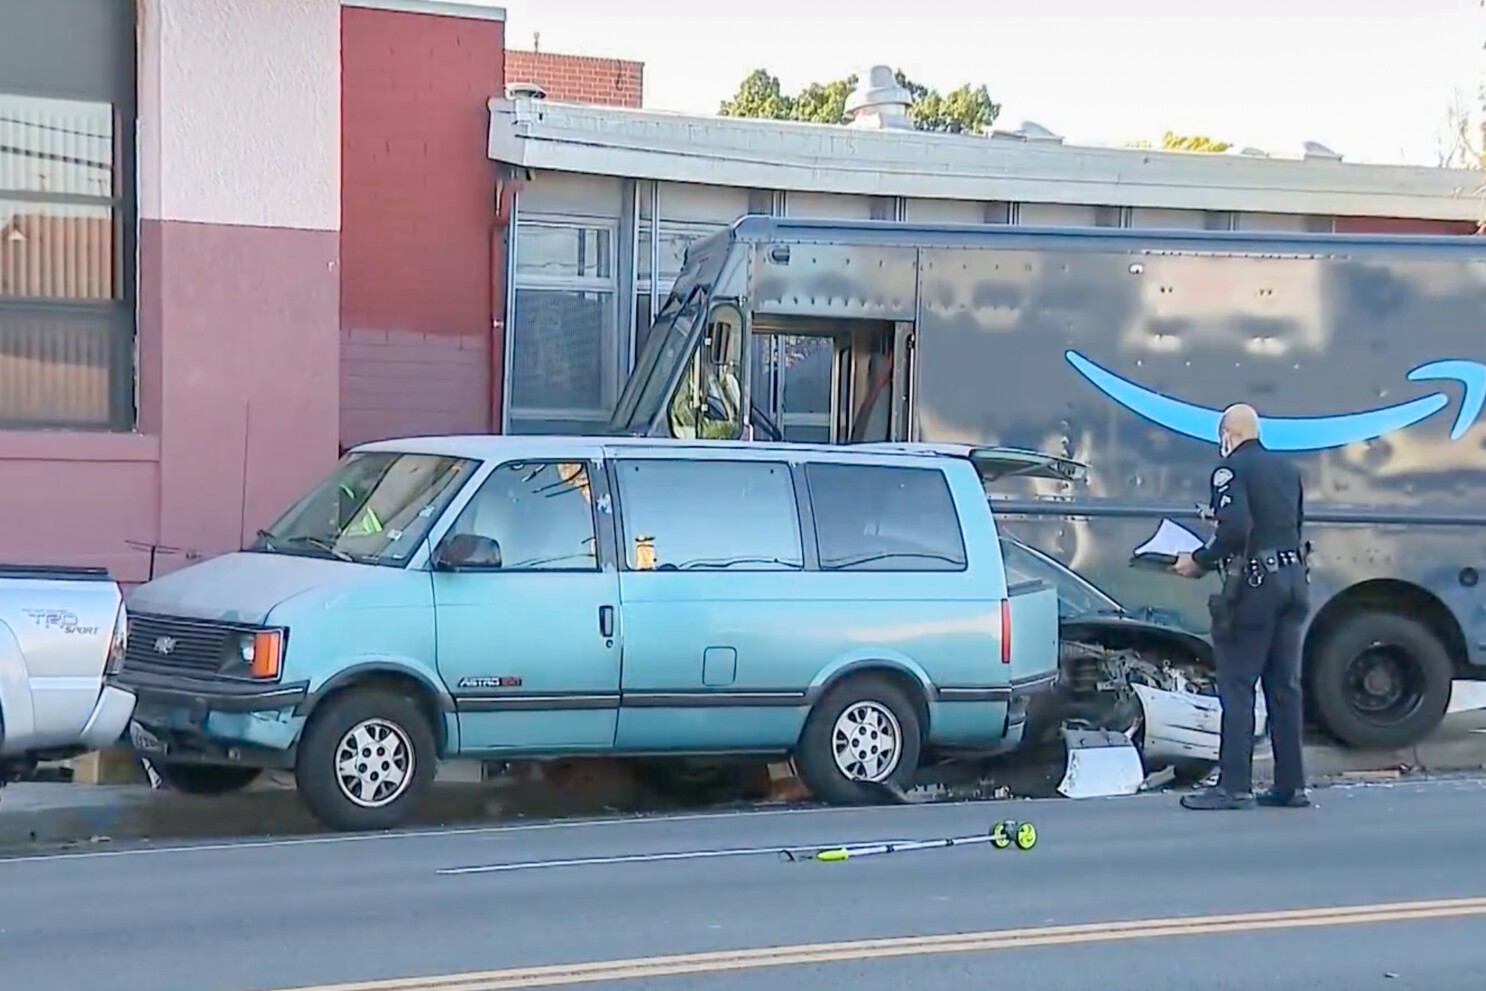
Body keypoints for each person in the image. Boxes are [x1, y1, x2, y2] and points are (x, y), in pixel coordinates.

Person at [1171, 403, 1311, 811]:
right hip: (1293, 580)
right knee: (1284, 686)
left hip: (1256, 586)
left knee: (1237, 683)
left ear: (1227, 435)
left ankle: (1234, 786)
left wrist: (1199, 560)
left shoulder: (1230, 470)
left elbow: (1236, 529)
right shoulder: (1287, 470)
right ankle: (1291, 786)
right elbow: (1292, 524)